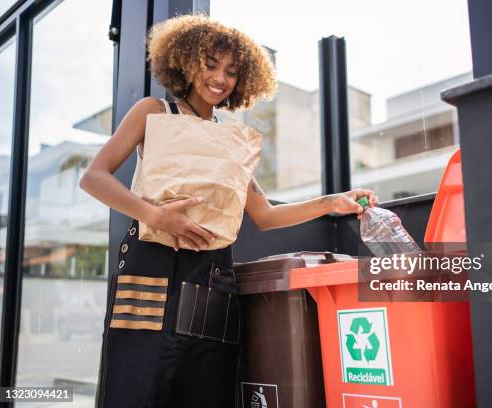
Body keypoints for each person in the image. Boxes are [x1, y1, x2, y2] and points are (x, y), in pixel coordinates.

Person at [80, 13, 378, 408]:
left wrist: (331, 202)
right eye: (210, 64)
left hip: (211, 273)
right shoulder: (154, 111)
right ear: (186, 60)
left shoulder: (232, 139)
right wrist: (155, 215)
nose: (220, 78)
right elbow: (94, 177)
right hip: (151, 267)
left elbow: (265, 214)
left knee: (205, 385)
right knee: (138, 385)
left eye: (232, 71)